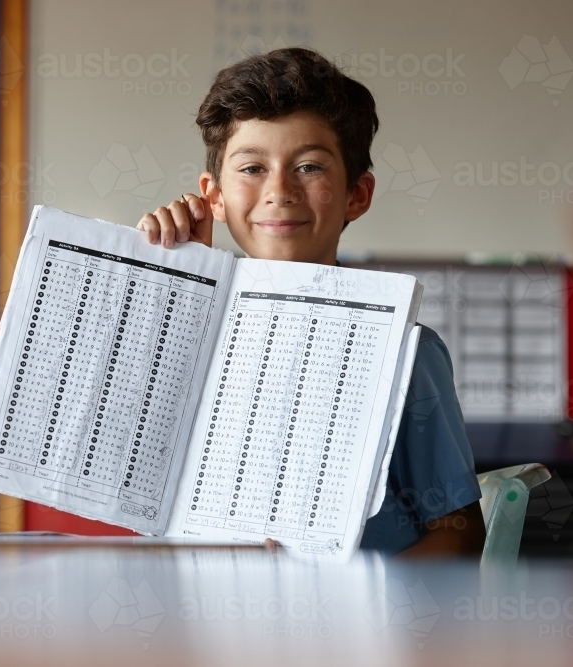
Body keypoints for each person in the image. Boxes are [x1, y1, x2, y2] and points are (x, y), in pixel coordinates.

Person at [137, 47, 485, 557]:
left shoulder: (405, 351)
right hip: (209, 622)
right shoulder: (182, 331)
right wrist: (174, 281)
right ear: (214, 196)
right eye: (252, 167)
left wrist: (367, 615)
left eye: (307, 167)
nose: (279, 190)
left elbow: (459, 533)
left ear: (356, 196)